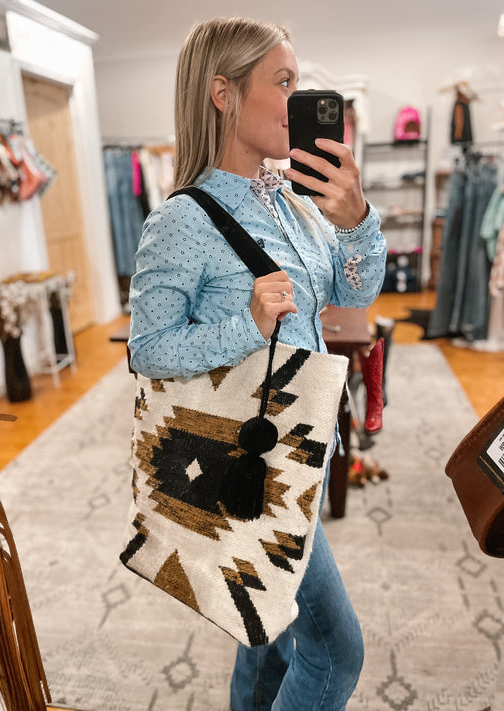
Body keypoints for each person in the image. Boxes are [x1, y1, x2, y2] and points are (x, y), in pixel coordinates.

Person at [128, 16, 387, 711]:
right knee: (335, 648)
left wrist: (355, 214)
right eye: (283, 82)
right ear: (223, 93)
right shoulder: (181, 220)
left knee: (266, 629)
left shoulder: (293, 201)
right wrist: (242, 324)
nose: (298, 99)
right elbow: (146, 350)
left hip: (307, 443)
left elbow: (353, 291)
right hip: (254, 464)